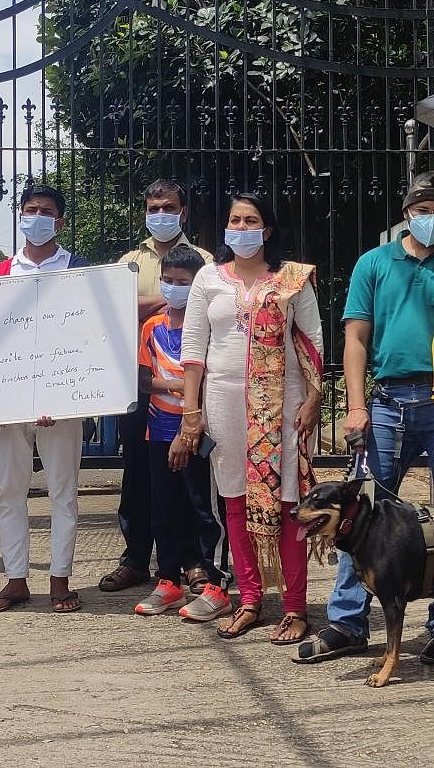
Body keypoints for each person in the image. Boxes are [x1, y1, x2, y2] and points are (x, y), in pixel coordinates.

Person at [295, 175, 434, 665]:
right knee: (358, 516)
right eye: (423, 208)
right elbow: (355, 339)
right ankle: (348, 622)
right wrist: (355, 407)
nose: (429, 217)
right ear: (407, 212)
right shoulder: (374, 264)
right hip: (387, 403)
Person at [179, 192, 322, 643]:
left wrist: (315, 399)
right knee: (236, 502)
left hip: (283, 405)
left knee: (288, 503)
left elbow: (313, 341)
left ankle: (296, 608)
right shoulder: (208, 278)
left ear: (268, 228)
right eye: (234, 220)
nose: (241, 229)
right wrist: (190, 411)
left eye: (251, 220)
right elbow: (193, 350)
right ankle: (250, 599)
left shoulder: (292, 280)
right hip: (223, 404)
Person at [0, 183, 88, 615]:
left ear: (59, 221)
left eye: (46, 211)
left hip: (61, 400)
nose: (38, 216)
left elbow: (86, 338)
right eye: (31, 209)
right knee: (10, 491)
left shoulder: (79, 271)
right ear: (20, 217)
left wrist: (68, 393)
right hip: (7, 402)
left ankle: (60, 580)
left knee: (63, 490)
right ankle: (16, 579)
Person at [102, 180, 214, 594]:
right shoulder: (129, 260)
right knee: (138, 475)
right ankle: (135, 559)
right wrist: (172, 301)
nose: (160, 214)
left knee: (190, 480)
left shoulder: (204, 259)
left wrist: (151, 302)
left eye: (168, 207)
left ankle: (191, 562)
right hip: (139, 383)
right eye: (153, 207)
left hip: (191, 389)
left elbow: (208, 308)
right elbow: (116, 308)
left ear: (183, 212)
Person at [133, 245, 232, 621]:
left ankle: (214, 581)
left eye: (183, 283)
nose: (174, 289)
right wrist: (171, 384)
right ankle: (169, 579)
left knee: (205, 509)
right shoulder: (151, 326)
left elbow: (208, 380)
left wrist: (189, 422)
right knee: (164, 507)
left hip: (199, 430)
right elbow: (143, 379)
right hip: (158, 429)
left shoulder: (206, 325)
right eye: (168, 281)